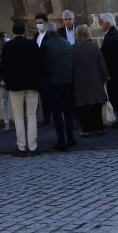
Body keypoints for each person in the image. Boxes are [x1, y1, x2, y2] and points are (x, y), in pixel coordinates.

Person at [0, 18, 44, 157]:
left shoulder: (8, 46)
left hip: (15, 85)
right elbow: (40, 64)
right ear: (24, 32)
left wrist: (7, 81)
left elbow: (3, 67)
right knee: (31, 115)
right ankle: (33, 146)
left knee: (18, 116)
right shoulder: (32, 45)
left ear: (13, 32)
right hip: (32, 84)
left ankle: (21, 147)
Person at [39, 20, 76, 150]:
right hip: (67, 82)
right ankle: (71, 138)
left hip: (53, 83)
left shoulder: (46, 45)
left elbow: (42, 65)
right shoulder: (66, 43)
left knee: (57, 113)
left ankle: (61, 140)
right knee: (67, 112)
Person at [72, 22, 110, 136]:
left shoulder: (73, 49)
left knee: (83, 107)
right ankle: (98, 128)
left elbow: (71, 67)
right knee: (96, 106)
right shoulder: (94, 48)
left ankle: (86, 129)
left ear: (77, 35)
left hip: (80, 82)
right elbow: (101, 64)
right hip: (95, 81)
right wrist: (105, 77)